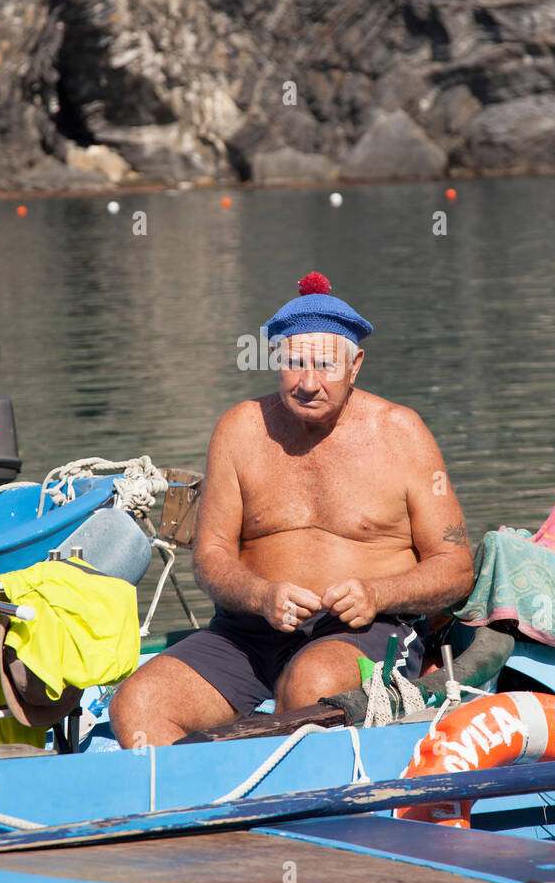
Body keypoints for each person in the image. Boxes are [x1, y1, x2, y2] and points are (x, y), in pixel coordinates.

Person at [110, 272, 474, 747]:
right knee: (137, 704)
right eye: (293, 364)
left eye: (325, 365)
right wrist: (261, 596)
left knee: (311, 685)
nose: (308, 383)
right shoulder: (239, 430)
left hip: (365, 630)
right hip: (247, 633)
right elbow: (211, 559)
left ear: (355, 365)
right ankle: (204, 819)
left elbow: (455, 568)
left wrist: (375, 594)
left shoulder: (401, 433)